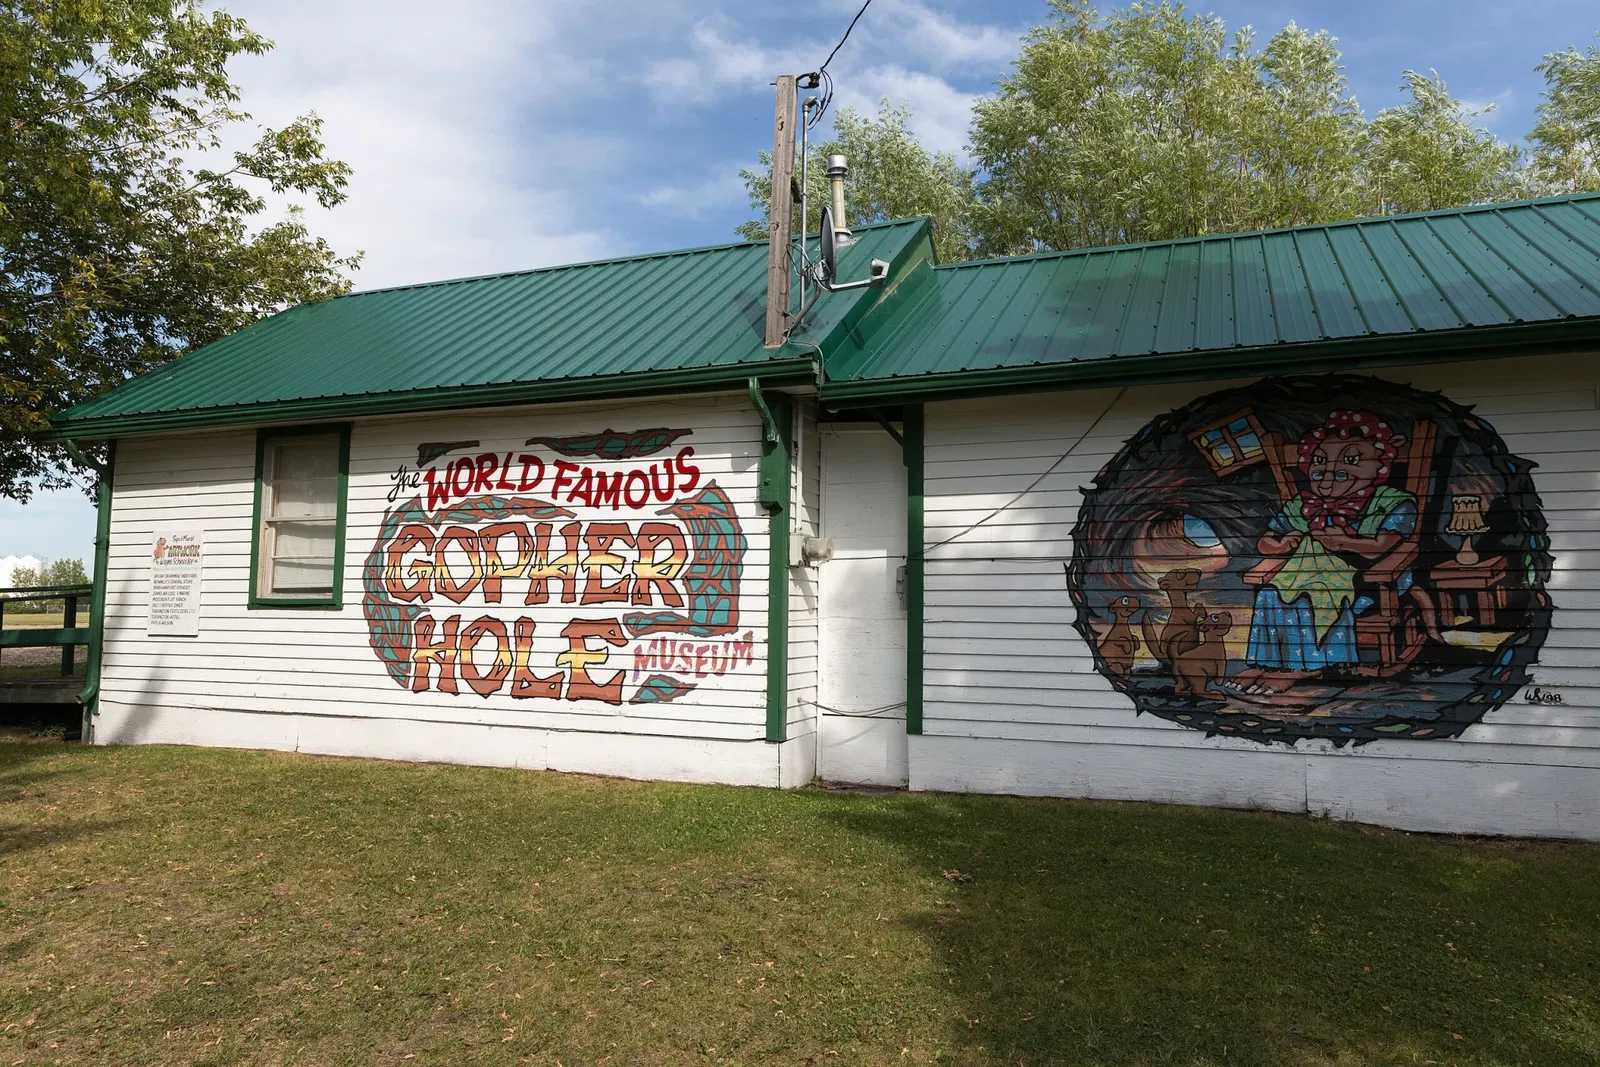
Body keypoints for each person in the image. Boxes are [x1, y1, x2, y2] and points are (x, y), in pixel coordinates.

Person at [1229, 411, 1415, 696]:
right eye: (1319, 465)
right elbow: (1267, 540)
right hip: (1303, 573)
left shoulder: (1391, 502)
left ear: (1380, 463)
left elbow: (1383, 545)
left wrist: (1346, 543)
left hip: (1364, 581)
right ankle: (1263, 663)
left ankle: (1303, 667)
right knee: (1269, 593)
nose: (1328, 478)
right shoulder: (1303, 505)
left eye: (1348, 465)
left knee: (1312, 599)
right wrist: (1279, 547)